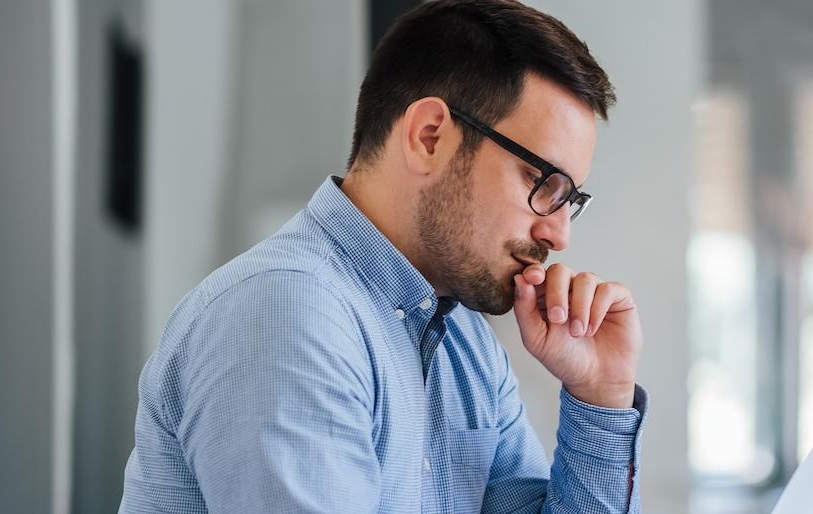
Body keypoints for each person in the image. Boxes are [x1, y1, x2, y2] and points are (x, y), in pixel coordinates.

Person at [118, 1, 647, 512]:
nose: (558, 234)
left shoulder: (466, 348)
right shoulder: (287, 313)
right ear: (429, 137)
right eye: (541, 182)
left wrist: (601, 395)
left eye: (569, 200)